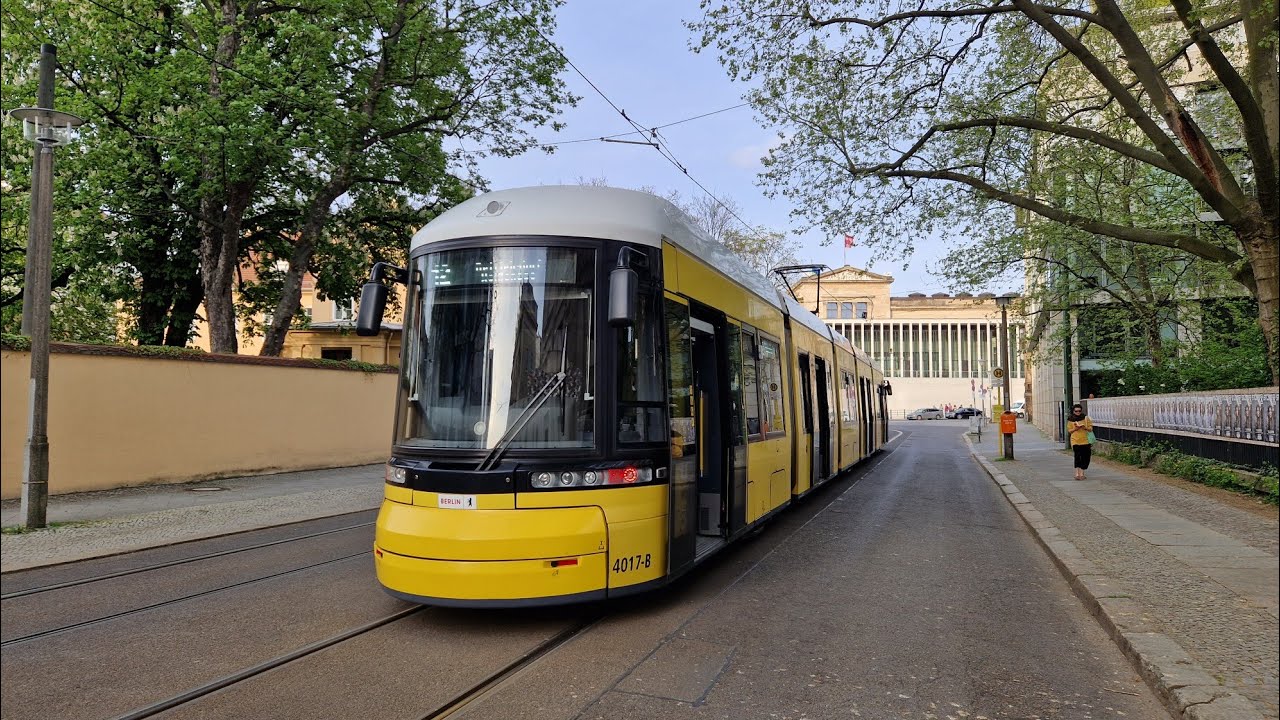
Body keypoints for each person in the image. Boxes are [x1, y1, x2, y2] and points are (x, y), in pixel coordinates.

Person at [1067, 403, 1093, 480]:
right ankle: (1077, 474)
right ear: (1073, 411)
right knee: (1077, 456)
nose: (1078, 412)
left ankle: (1082, 472)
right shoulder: (1070, 419)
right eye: (1076, 411)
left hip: (1085, 440)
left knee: (1085, 457)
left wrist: (1085, 427)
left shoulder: (1085, 418)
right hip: (1075, 440)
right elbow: (1069, 430)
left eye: (1079, 411)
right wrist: (1075, 429)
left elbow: (1091, 429)